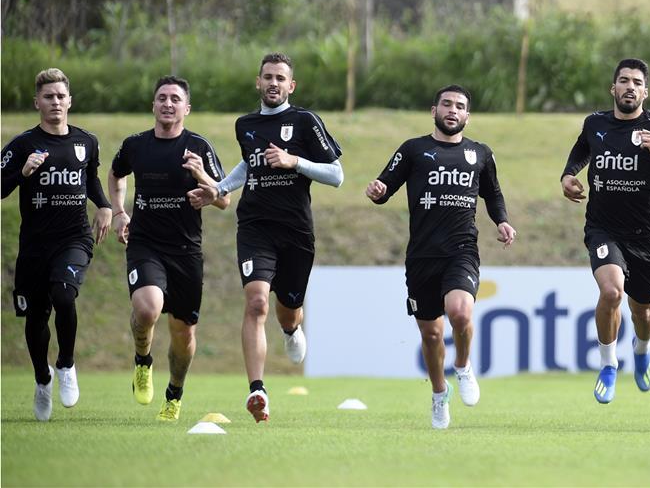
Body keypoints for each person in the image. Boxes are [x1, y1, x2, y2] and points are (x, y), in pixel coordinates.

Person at [188, 53, 343, 423]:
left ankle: (291, 329)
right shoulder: (245, 125)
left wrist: (295, 162)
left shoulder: (305, 121)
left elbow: (336, 175)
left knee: (288, 308)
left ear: (291, 86)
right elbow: (249, 163)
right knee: (256, 303)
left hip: (296, 232)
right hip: (255, 227)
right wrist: (218, 189)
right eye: (267, 77)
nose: (273, 83)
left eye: (280, 78)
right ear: (258, 82)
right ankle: (257, 390)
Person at [365, 84, 516, 429]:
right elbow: (384, 186)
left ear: (467, 115)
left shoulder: (480, 154)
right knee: (431, 336)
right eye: (446, 104)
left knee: (460, 313)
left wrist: (503, 221)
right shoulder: (414, 150)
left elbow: (493, 194)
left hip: (462, 250)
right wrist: (377, 191)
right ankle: (438, 394)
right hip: (421, 256)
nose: (452, 110)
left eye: (459, 106)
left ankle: (463, 366)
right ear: (434, 111)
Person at [560, 58, 650, 404]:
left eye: (637, 82)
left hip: (646, 237)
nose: (630, 87)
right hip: (603, 229)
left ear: (645, 91)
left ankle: (641, 349)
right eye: (623, 81)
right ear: (613, 88)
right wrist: (568, 174)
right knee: (611, 293)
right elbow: (583, 147)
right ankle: (609, 365)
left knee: (643, 311)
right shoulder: (595, 124)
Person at [107, 76, 229, 422]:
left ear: (186, 108)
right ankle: (143, 360)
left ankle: (174, 395)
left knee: (183, 331)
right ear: (153, 105)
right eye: (162, 97)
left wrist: (203, 177)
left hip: (186, 251)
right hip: (145, 243)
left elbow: (225, 199)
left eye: (175, 99)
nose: (168, 103)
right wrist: (118, 212)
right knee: (147, 310)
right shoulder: (136, 145)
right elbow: (116, 175)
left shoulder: (199, 147)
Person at [1, 68, 112, 421]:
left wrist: (106, 206)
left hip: (74, 238)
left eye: (61, 96)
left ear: (69, 101)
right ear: (37, 102)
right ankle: (42, 378)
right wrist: (23, 174)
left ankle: (66, 364)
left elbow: (90, 179)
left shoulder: (86, 142)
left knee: (65, 295)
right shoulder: (22, 145)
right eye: (48, 97)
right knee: (36, 318)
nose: (55, 102)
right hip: (35, 246)